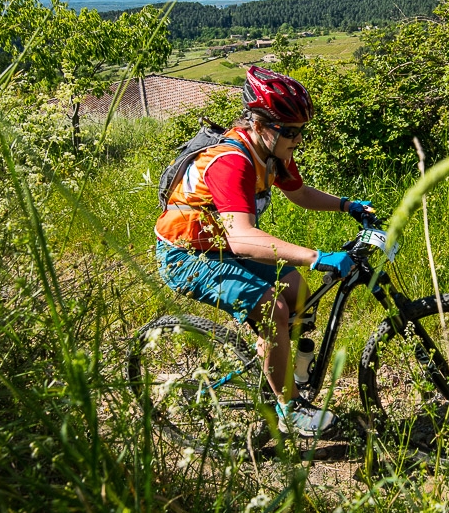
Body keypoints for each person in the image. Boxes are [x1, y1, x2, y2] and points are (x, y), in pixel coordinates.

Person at [154, 66, 375, 438]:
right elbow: (242, 237)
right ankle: (288, 409)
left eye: (302, 130)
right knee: (273, 308)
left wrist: (346, 205)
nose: (298, 140)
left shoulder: (272, 152)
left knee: (299, 292)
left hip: (219, 245)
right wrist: (317, 256)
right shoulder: (232, 162)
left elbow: (300, 194)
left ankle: (293, 370)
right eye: (290, 131)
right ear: (258, 123)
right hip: (185, 255)